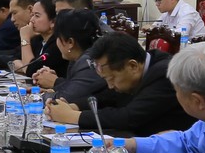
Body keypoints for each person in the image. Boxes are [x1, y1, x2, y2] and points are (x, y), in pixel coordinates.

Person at [46, 32, 192, 136]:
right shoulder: (141, 68)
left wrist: (72, 116)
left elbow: (128, 117)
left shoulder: (166, 74)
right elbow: (108, 96)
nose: (110, 86)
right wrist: (73, 106)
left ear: (132, 66)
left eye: (112, 79)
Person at [42, 9, 106, 110]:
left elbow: (63, 99)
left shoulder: (88, 62)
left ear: (70, 42)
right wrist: (48, 91)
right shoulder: (81, 58)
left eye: (57, 37)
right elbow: (70, 85)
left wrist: (35, 97)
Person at [18, 0, 64, 78]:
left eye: (37, 16)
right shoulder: (38, 40)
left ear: (53, 22)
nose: (31, 20)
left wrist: (25, 38)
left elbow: (29, 70)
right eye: (32, 15)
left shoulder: (57, 44)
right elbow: (14, 56)